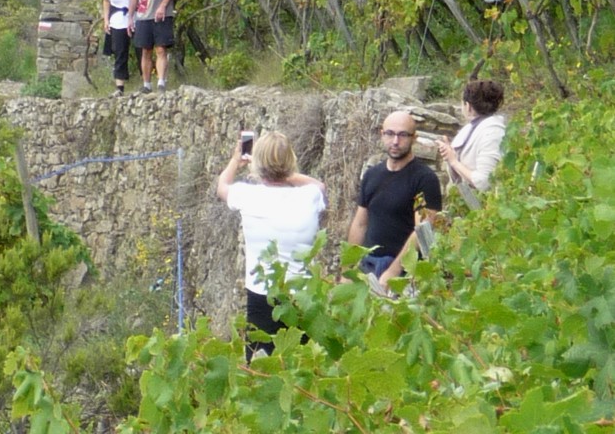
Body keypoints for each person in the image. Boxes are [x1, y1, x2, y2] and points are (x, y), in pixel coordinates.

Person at [216, 130, 326, 361]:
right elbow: (319, 185)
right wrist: (286, 173)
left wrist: (237, 160)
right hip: (302, 296)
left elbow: (222, 185)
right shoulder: (310, 196)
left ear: (256, 163)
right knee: (302, 365)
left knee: (260, 369)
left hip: (261, 295)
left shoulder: (246, 195)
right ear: (291, 162)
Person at [348, 111, 442, 286]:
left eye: (403, 135)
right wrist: (348, 269)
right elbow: (360, 223)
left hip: (403, 273)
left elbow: (422, 229)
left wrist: (393, 271)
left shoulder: (424, 179)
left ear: (414, 138)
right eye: (390, 134)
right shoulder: (372, 174)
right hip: (368, 265)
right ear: (381, 134)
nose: (395, 141)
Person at [437, 80, 506, 211]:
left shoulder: (492, 131)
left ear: (468, 106)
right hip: (468, 207)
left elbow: (484, 182)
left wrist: (453, 161)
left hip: (485, 210)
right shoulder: (473, 127)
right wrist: (449, 152)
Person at [102, 0, 134, 96]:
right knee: (119, 51)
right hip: (117, 19)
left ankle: (147, 83)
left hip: (136, 15)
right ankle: (119, 88)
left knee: (143, 48)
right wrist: (106, 19)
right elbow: (106, 0)